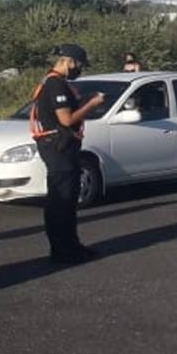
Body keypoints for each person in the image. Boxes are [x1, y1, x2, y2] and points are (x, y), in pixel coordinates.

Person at [30, 44, 106, 264]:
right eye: (80, 65)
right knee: (61, 201)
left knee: (69, 199)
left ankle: (72, 246)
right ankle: (63, 251)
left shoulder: (54, 83)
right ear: (69, 61)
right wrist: (92, 104)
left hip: (61, 146)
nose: (80, 69)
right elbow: (66, 120)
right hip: (58, 147)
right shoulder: (55, 85)